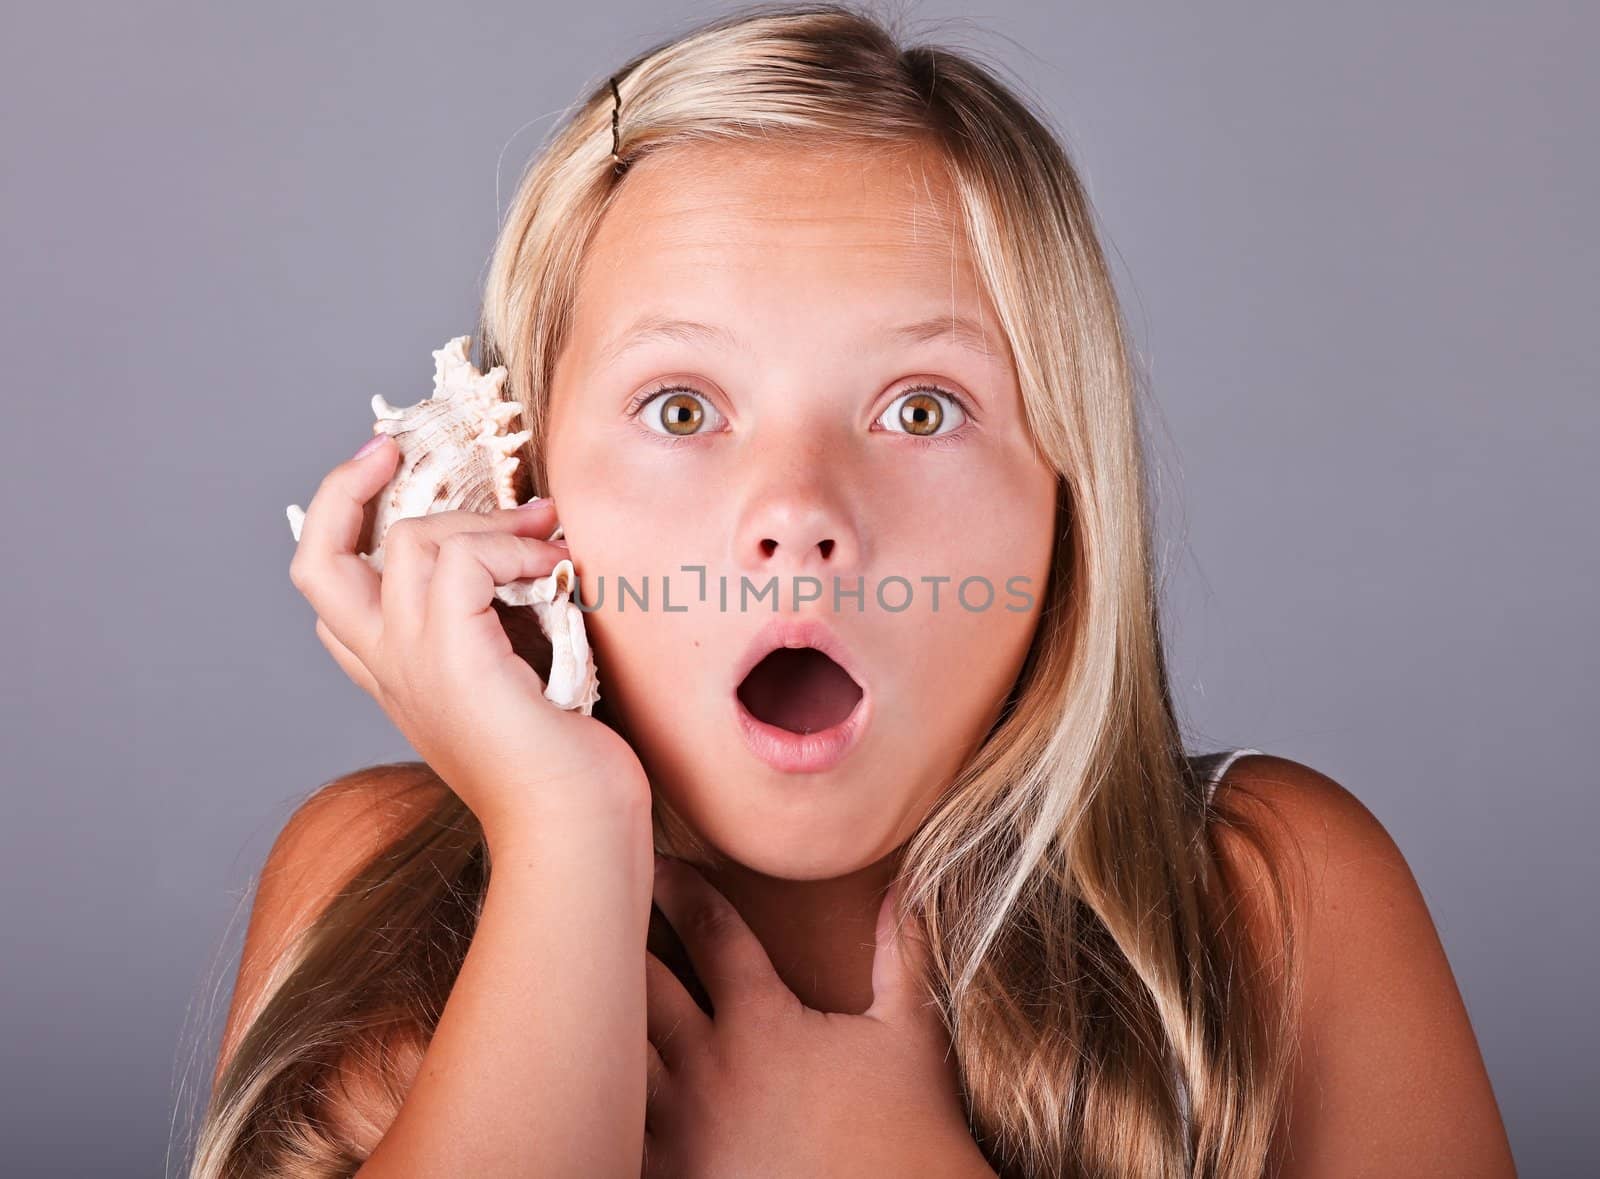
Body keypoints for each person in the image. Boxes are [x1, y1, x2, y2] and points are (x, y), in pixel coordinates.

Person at [188, 5, 1515, 1176]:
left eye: (922, 408)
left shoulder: (1272, 900)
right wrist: (565, 832)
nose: (798, 516)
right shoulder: (367, 885)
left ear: (1066, 490)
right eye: (685, 405)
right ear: (530, 485)